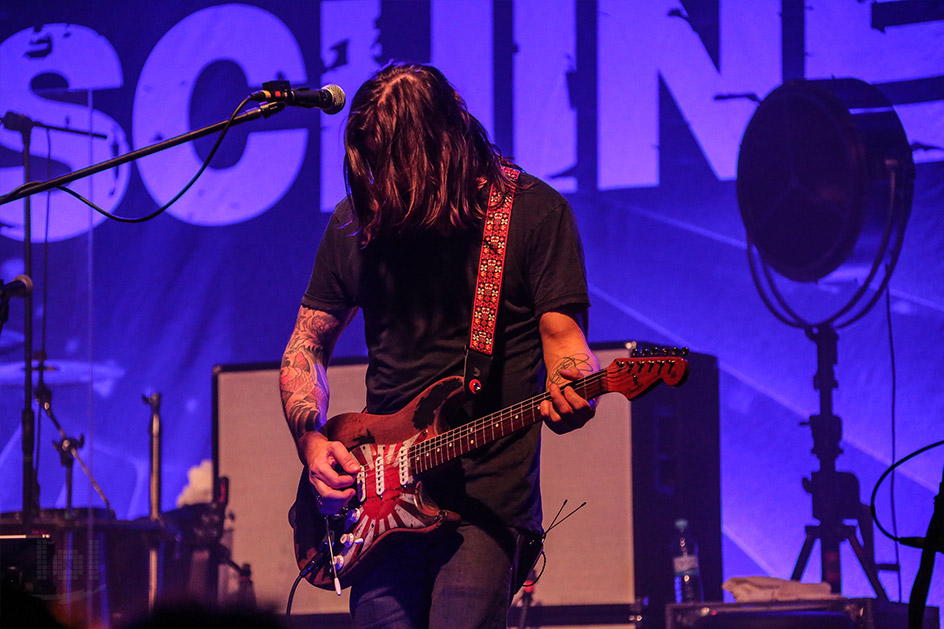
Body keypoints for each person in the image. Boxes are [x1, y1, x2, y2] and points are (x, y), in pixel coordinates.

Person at [279, 62, 598, 629]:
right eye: (374, 170)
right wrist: (310, 437)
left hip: (483, 502)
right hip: (376, 498)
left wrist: (574, 380)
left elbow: (564, 340)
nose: (384, 186)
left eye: (397, 168)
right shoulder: (360, 223)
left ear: (447, 142)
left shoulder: (531, 214)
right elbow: (307, 344)